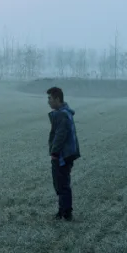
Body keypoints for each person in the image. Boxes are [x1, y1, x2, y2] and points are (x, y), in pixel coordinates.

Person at [48, 87, 80, 220]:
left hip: (62, 155)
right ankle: (63, 210)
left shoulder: (61, 114)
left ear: (57, 99)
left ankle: (66, 212)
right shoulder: (65, 112)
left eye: (50, 98)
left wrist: (54, 152)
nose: (48, 102)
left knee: (61, 184)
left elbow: (60, 135)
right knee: (62, 183)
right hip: (67, 154)